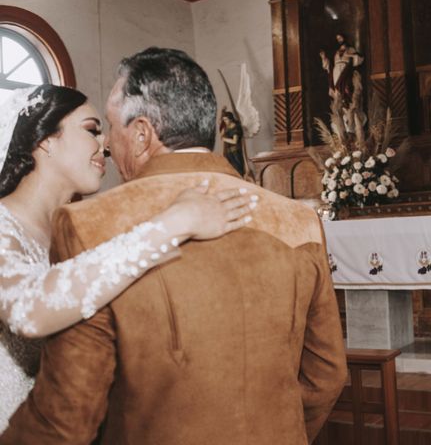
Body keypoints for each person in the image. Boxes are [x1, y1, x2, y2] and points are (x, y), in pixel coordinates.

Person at [1, 47, 347, 444]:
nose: (109, 146)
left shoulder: (91, 224)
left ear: (143, 133)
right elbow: (327, 374)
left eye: (108, 127)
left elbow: (69, 413)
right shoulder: (299, 219)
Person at [0, 85, 254, 432]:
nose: (105, 144)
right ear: (45, 140)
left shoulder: (86, 226)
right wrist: (173, 224)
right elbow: (27, 309)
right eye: (91, 130)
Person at [320, 32, 365, 133]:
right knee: (338, 93)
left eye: (340, 37)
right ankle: (343, 116)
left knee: (346, 90)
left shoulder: (350, 49)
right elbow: (329, 65)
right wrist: (324, 58)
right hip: (336, 72)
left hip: (346, 71)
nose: (339, 39)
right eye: (338, 38)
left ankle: (350, 116)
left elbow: (358, 59)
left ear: (344, 37)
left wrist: (351, 56)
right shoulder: (336, 52)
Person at [219, 107, 245, 176]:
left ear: (230, 119)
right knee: (230, 170)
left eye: (226, 120)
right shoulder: (226, 127)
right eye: (224, 120)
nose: (225, 121)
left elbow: (234, 141)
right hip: (228, 152)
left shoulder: (236, 127)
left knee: (238, 169)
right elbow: (221, 132)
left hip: (235, 152)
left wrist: (224, 139)